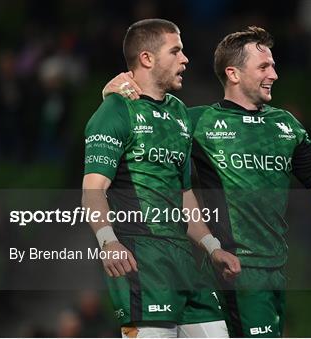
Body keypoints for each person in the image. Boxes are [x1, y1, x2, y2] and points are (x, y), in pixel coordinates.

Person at [105, 26, 311, 337]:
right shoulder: (198, 122)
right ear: (234, 73)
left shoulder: (285, 125)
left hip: (275, 272)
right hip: (233, 272)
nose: (274, 74)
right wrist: (112, 93)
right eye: (264, 66)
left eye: (273, 65)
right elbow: (140, 128)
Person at [82, 18, 240, 338]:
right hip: (142, 263)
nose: (185, 59)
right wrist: (108, 242)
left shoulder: (179, 113)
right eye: (176, 51)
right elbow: (92, 190)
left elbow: (184, 194)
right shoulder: (114, 111)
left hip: (185, 263)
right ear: (147, 58)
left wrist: (211, 246)